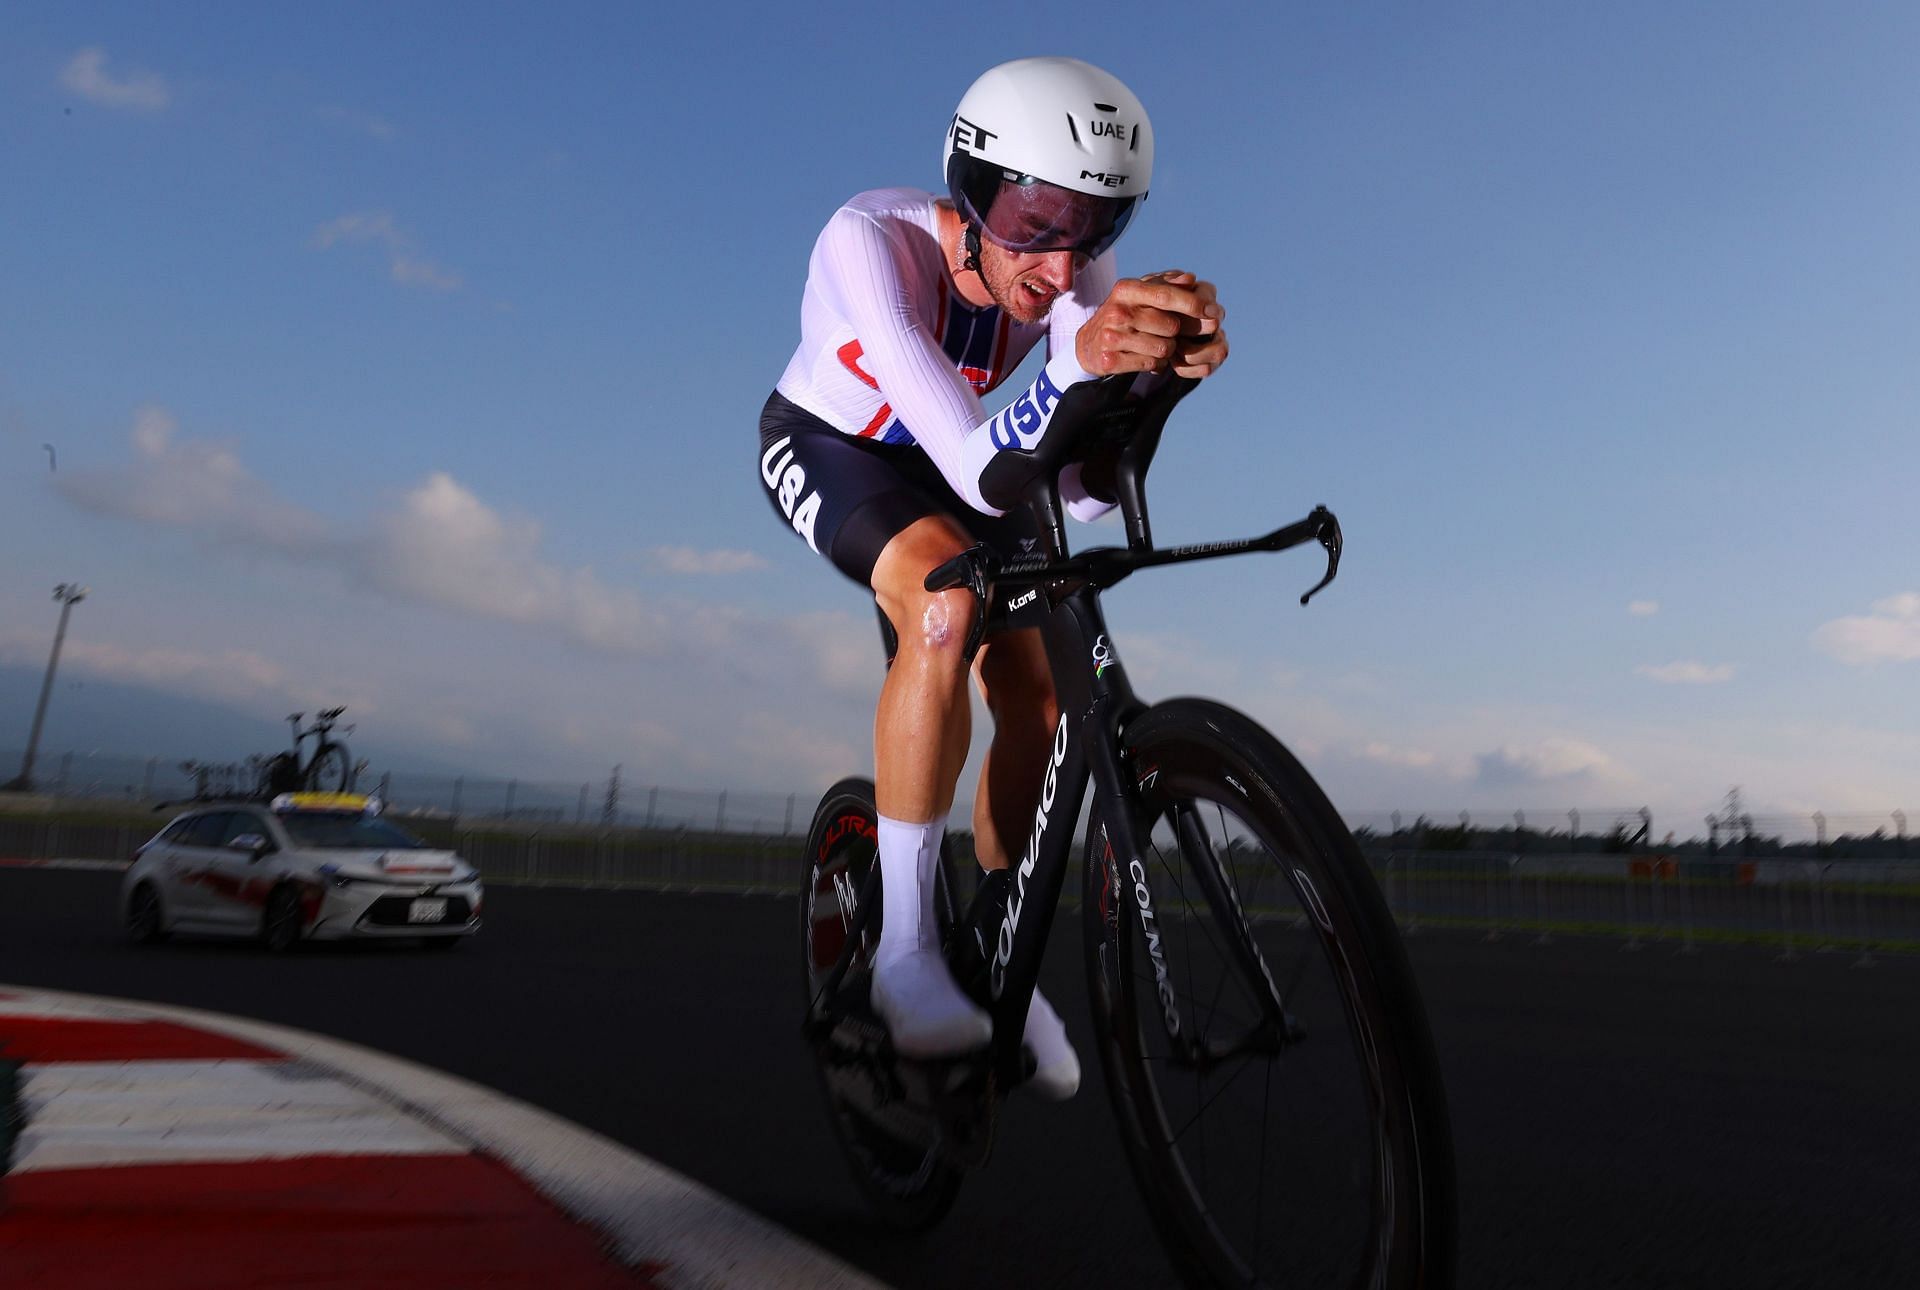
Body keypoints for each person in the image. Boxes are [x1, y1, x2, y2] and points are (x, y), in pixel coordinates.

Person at [758, 56, 1227, 1099]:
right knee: (943, 607)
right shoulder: (867, 245)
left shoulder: (1066, 277)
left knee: (1050, 689)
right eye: (1036, 220)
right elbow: (976, 463)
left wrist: (1152, 383)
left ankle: (994, 946)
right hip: (842, 450)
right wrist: (1077, 367)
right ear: (970, 193)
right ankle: (904, 956)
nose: (1063, 266)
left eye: (1099, 229)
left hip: (968, 456)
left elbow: (1087, 495)